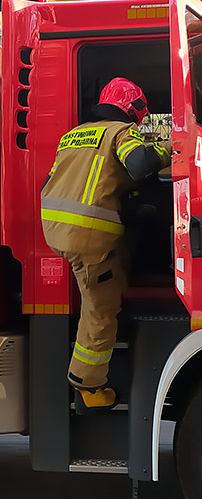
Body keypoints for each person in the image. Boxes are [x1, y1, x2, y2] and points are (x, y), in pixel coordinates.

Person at [40, 77, 171, 414]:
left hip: (58, 230)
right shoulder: (119, 132)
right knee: (101, 309)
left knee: (123, 248)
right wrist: (168, 147)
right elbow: (139, 165)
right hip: (89, 236)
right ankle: (88, 386)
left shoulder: (73, 135)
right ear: (132, 108)